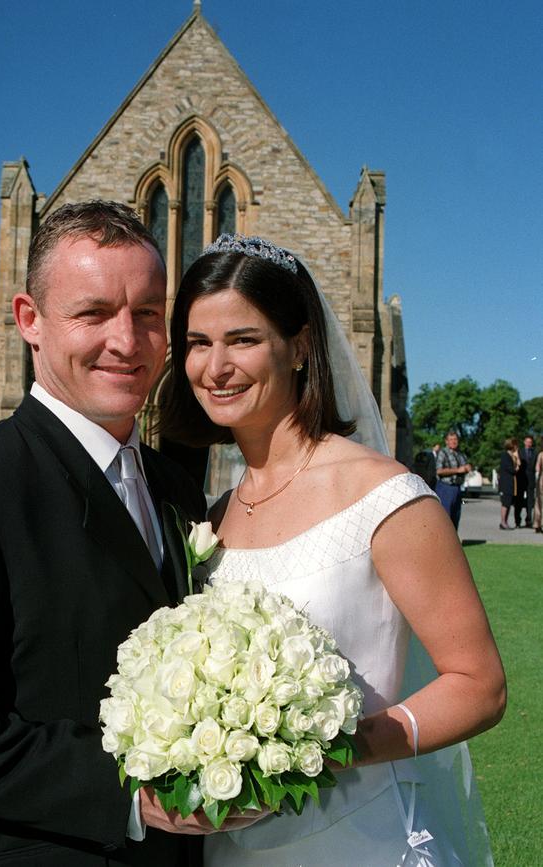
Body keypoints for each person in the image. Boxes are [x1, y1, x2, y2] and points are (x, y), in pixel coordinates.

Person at [0, 202, 256, 867]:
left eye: (148, 313)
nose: (127, 339)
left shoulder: (173, 487)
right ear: (30, 319)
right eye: (93, 313)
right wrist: (130, 795)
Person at [161, 233, 506, 866]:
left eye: (243, 339)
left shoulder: (386, 498)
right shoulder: (211, 521)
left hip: (362, 839)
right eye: (197, 344)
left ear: (298, 347)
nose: (215, 367)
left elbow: (479, 686)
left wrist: (318, 751)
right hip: (235, 849)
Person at [435, 430, 471, 530]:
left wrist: (467, 468)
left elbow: (464, 467)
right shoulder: (443, 452)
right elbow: (439, 471)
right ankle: (444, 543)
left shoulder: (460, 454)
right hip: (445, 488)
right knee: (446, 517)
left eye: (455, 439)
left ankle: (453, 543)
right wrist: (457, 470)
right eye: (451, 440)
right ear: (446, 441)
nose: (454, 442)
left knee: (456, 516)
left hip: (457, 488)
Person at [498, 437, 521, 530]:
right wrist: (517, 467)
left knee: (509, 503)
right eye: (515, 445)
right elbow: (510, 469)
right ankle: (503, 522)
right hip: (506, 483)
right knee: (505, 503)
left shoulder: (512, 456)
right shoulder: (505, 456)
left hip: (511, 483)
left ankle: (505, 521)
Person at [518, 435, 538, 528]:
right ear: (524, 442)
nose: (529, 444)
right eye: (527, 442)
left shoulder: (535, 452)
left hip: (531, 480)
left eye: (530, 442)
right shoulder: (519, 452)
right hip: (521, 479)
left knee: (530, 501)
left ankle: (529, 519)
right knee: (519, 500)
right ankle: (517, 520)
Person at [533, 438, 543, 534]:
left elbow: (537, 468)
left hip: (541, 480)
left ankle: (537, 524)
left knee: (539, 503)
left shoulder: (541, 454)